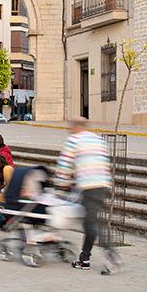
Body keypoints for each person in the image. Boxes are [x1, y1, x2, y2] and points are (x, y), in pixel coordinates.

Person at [53, 117, 121, 275]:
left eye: (71, 127)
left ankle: (111, 256)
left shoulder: (74, 140)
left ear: (76, 127)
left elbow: (64, 165)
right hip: (102, 184)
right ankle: (84, 258)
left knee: (91, 224)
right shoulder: (97, 140)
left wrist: (61, 182)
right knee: (90, 221)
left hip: (88, 186)